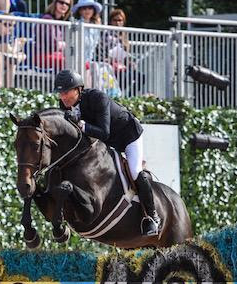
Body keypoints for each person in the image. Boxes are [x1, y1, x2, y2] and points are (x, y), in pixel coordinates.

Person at [54, 69, 161, 236]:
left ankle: (152, 217)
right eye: (60, 93)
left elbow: (104, 132)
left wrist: (82, 125)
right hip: (106, 142)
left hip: (127, 136)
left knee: (134, 171)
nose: (63, 97)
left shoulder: (98, 98)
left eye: (66, 92)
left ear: (78, 89)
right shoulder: (65, 105)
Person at [37, 0, 72, 69]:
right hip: (43, 55)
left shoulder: (63, 23)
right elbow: (51, 43)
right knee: (70, 62)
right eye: (61, 2)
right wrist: (64, 44)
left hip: (58, 55)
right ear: (55, 3)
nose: (64, 5)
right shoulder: (47, 18)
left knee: (85, 63)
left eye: (67, 4)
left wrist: (63, 44)